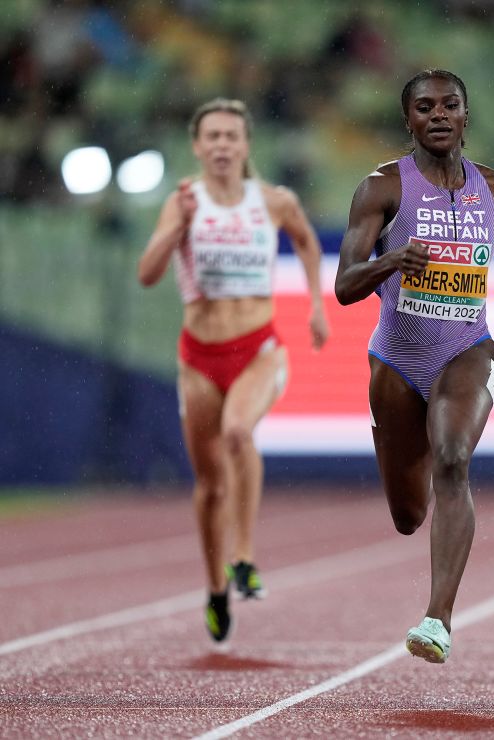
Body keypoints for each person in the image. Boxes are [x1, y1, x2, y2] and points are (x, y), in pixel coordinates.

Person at [334, 69, 494, 664]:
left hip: (467, 348)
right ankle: (420, 504)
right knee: (408, 515)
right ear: (407, 120)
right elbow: (343, 287)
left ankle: (437, 618)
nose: (438, 115)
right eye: (425, 107)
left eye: (450, 105)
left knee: (454, 460)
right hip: (396, 358)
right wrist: (391, 263)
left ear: (466, 115)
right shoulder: (382, 189)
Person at [137, 98, 330, 644]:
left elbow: (308, 242)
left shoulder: (273, 201)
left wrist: (315, 305)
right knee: (209, 486)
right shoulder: (183, 202)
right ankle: (216, 588)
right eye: (212, 137)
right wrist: (177, 229)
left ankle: (243, 557)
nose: (222, 145)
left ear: (246, 146)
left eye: (231, 136)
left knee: (239, 433)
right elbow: (148, 274)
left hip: (259, 349)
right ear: (197, 147)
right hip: (198, 359)